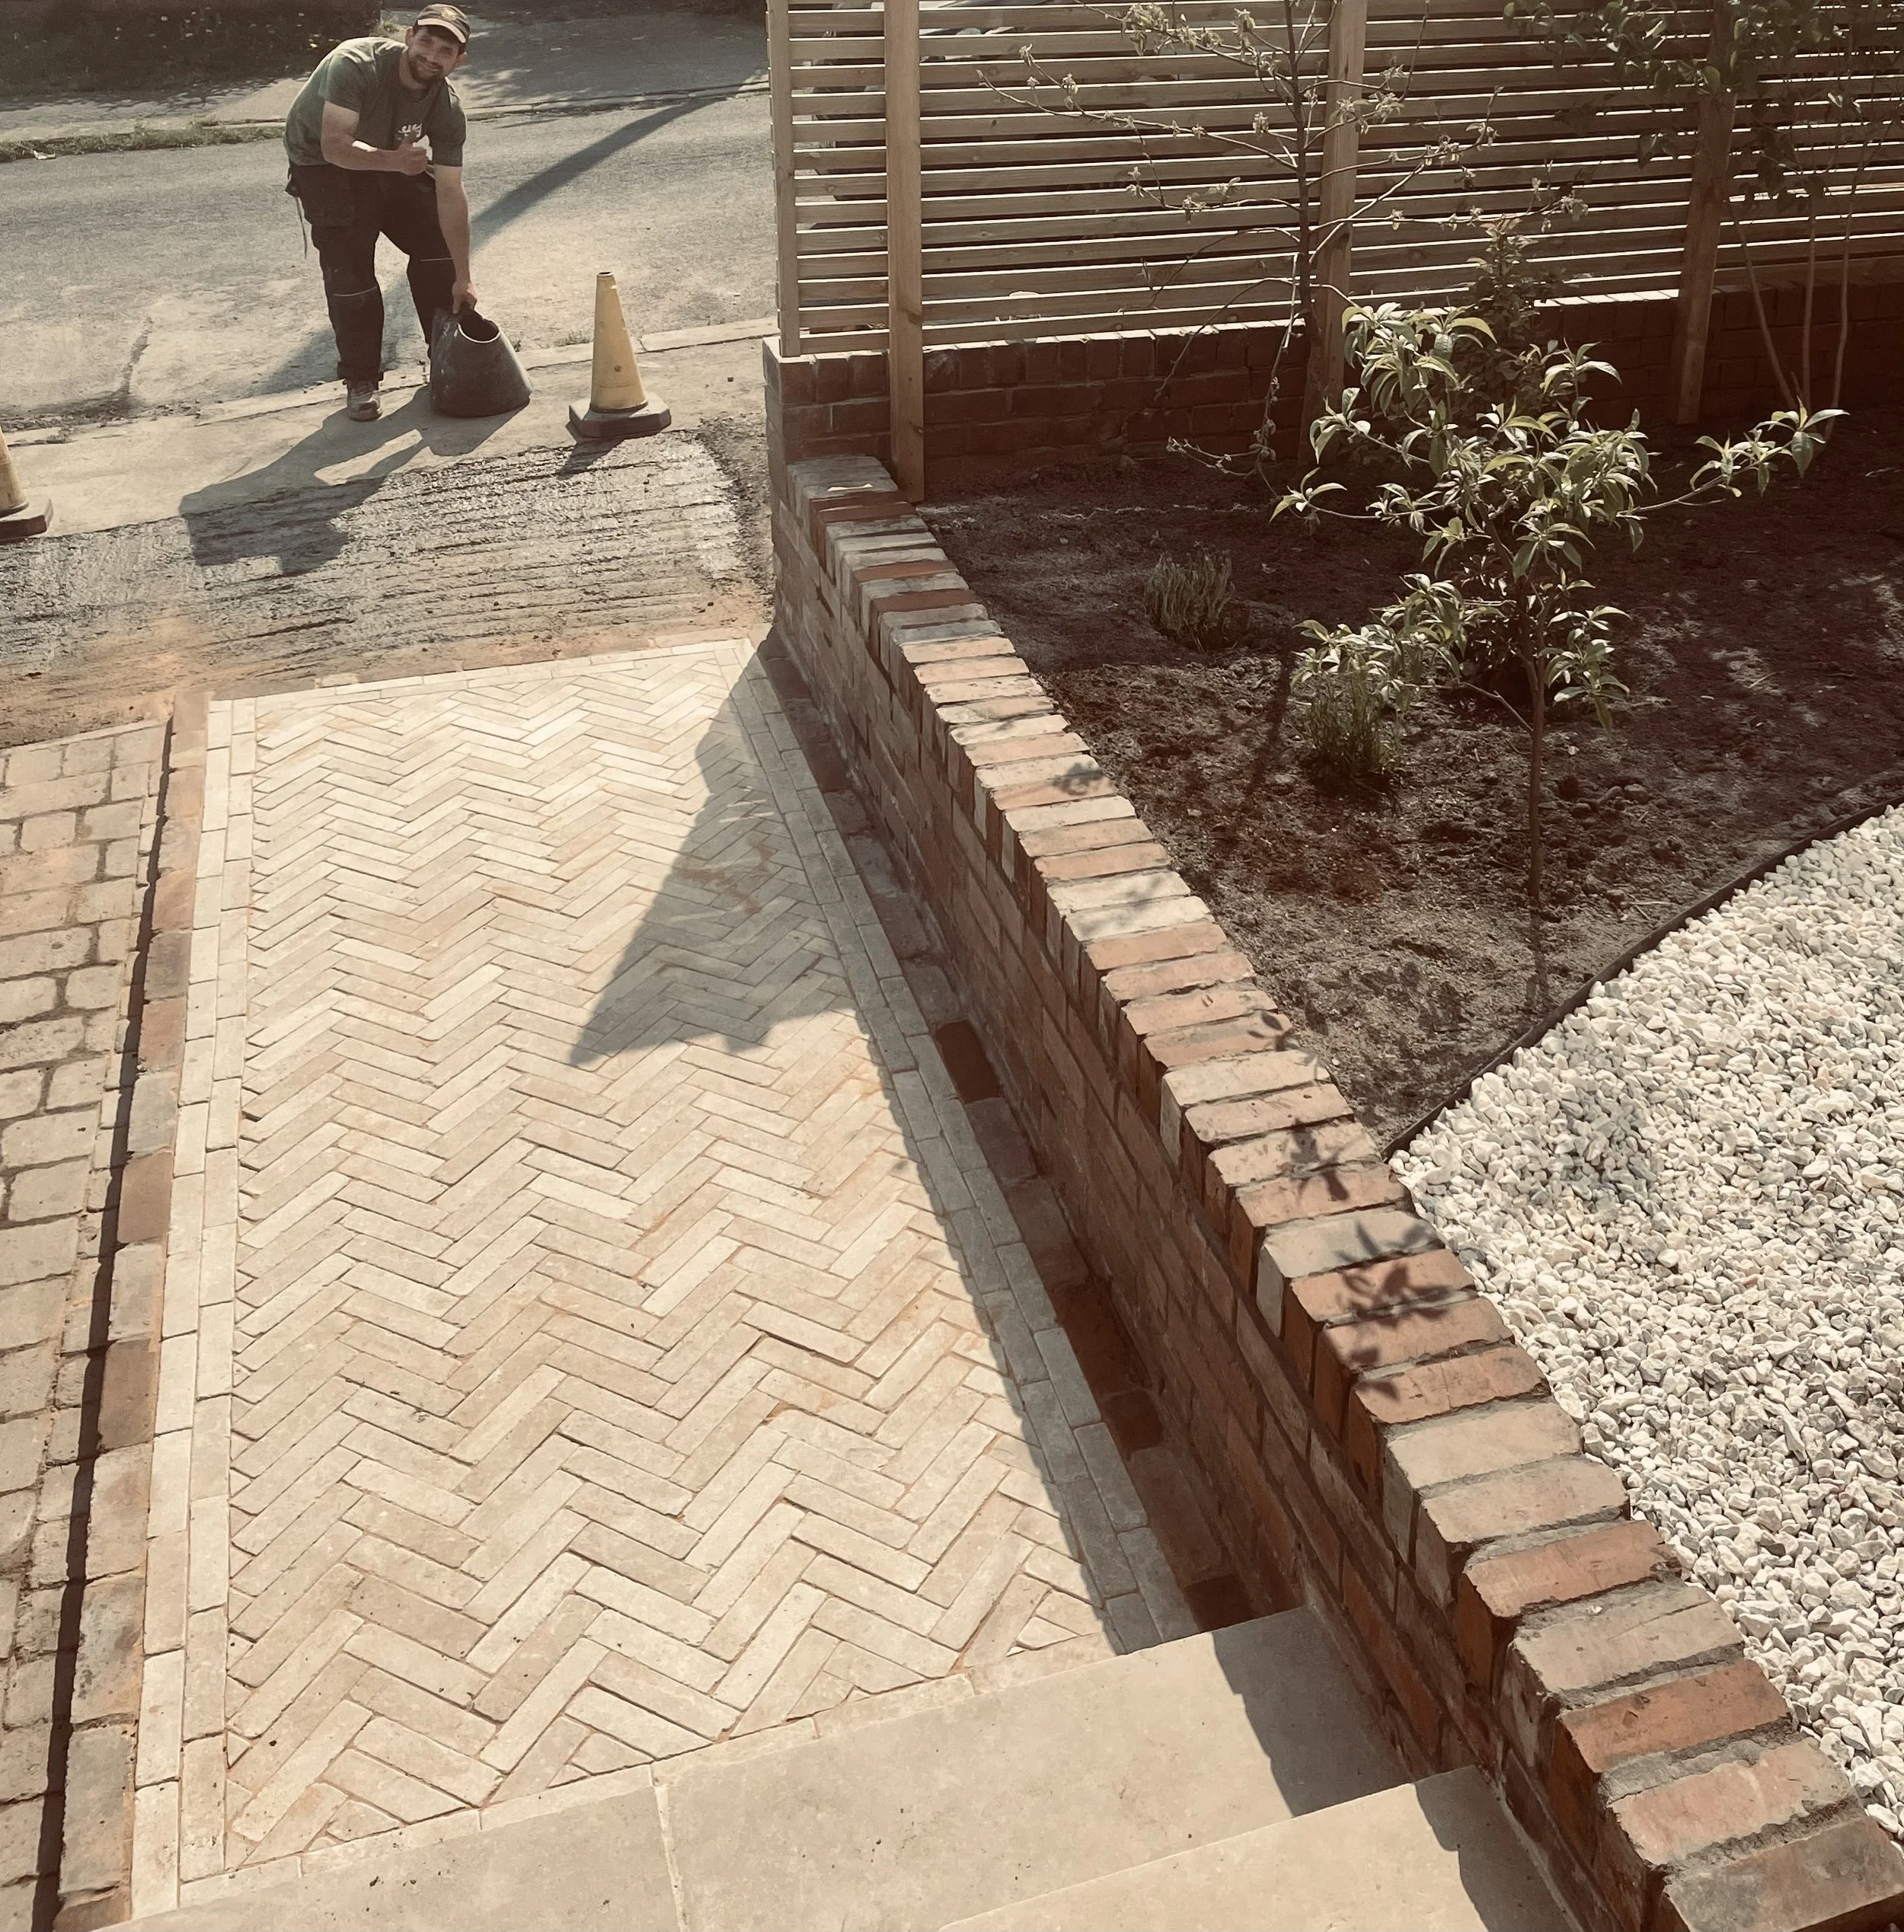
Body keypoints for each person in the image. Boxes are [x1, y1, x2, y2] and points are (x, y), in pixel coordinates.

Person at [283, 5, 478, 422]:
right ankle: (361, 380)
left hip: (390, 156)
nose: (431, 54)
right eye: (426, 40)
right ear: (409, 36)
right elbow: (334, 146)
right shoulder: (355, 63)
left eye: (445, 50)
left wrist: (464, 275)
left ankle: (445, 362)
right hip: (322, 165)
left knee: (437, 251)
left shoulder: (446, 107)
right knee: (351, 271)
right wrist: (393, 163)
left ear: (458, 61)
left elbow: (450, 190)